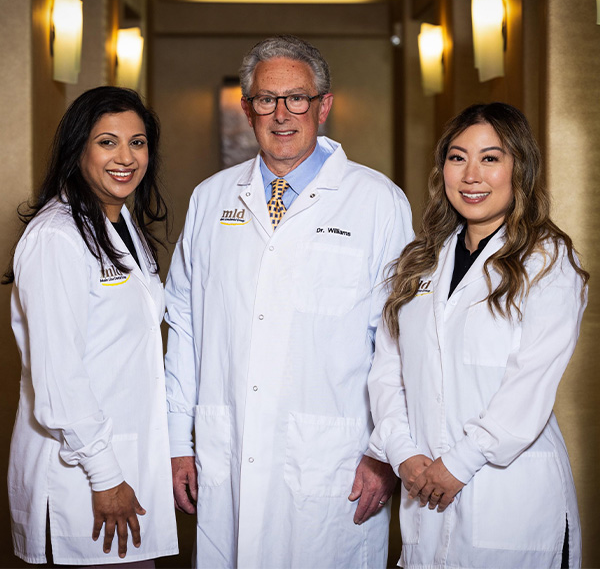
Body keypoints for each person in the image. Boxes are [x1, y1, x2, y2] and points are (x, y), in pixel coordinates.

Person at [165, 35, 413, 568]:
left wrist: (383, 454)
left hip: (335, 462)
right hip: (226, 452)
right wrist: (175, 441)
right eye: (266, 99)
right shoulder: (211, 199)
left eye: (296, 98)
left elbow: (398, 343)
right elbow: (185, 330)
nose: (282, 114)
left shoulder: (377, 202)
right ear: (247, 108)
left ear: (323, 106)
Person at [368, 102, 588, 568]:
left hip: (508, 498)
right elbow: (388, 372)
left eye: (490, 158)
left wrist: (460, 462)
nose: (471, 175)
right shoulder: (418, 263)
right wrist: (402, 452)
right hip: (423, 485)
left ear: (520, 169)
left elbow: (530, 385)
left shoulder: (548, 261)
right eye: (457, 157)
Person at [4, 86, 178, 565]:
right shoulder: (57, 236)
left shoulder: (122, 227)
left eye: (138, 143)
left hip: (125, 462)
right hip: (84, 476)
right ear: (78, 149)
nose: (126, 158)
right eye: (107, 142)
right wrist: (104, 474)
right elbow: (59, 375)